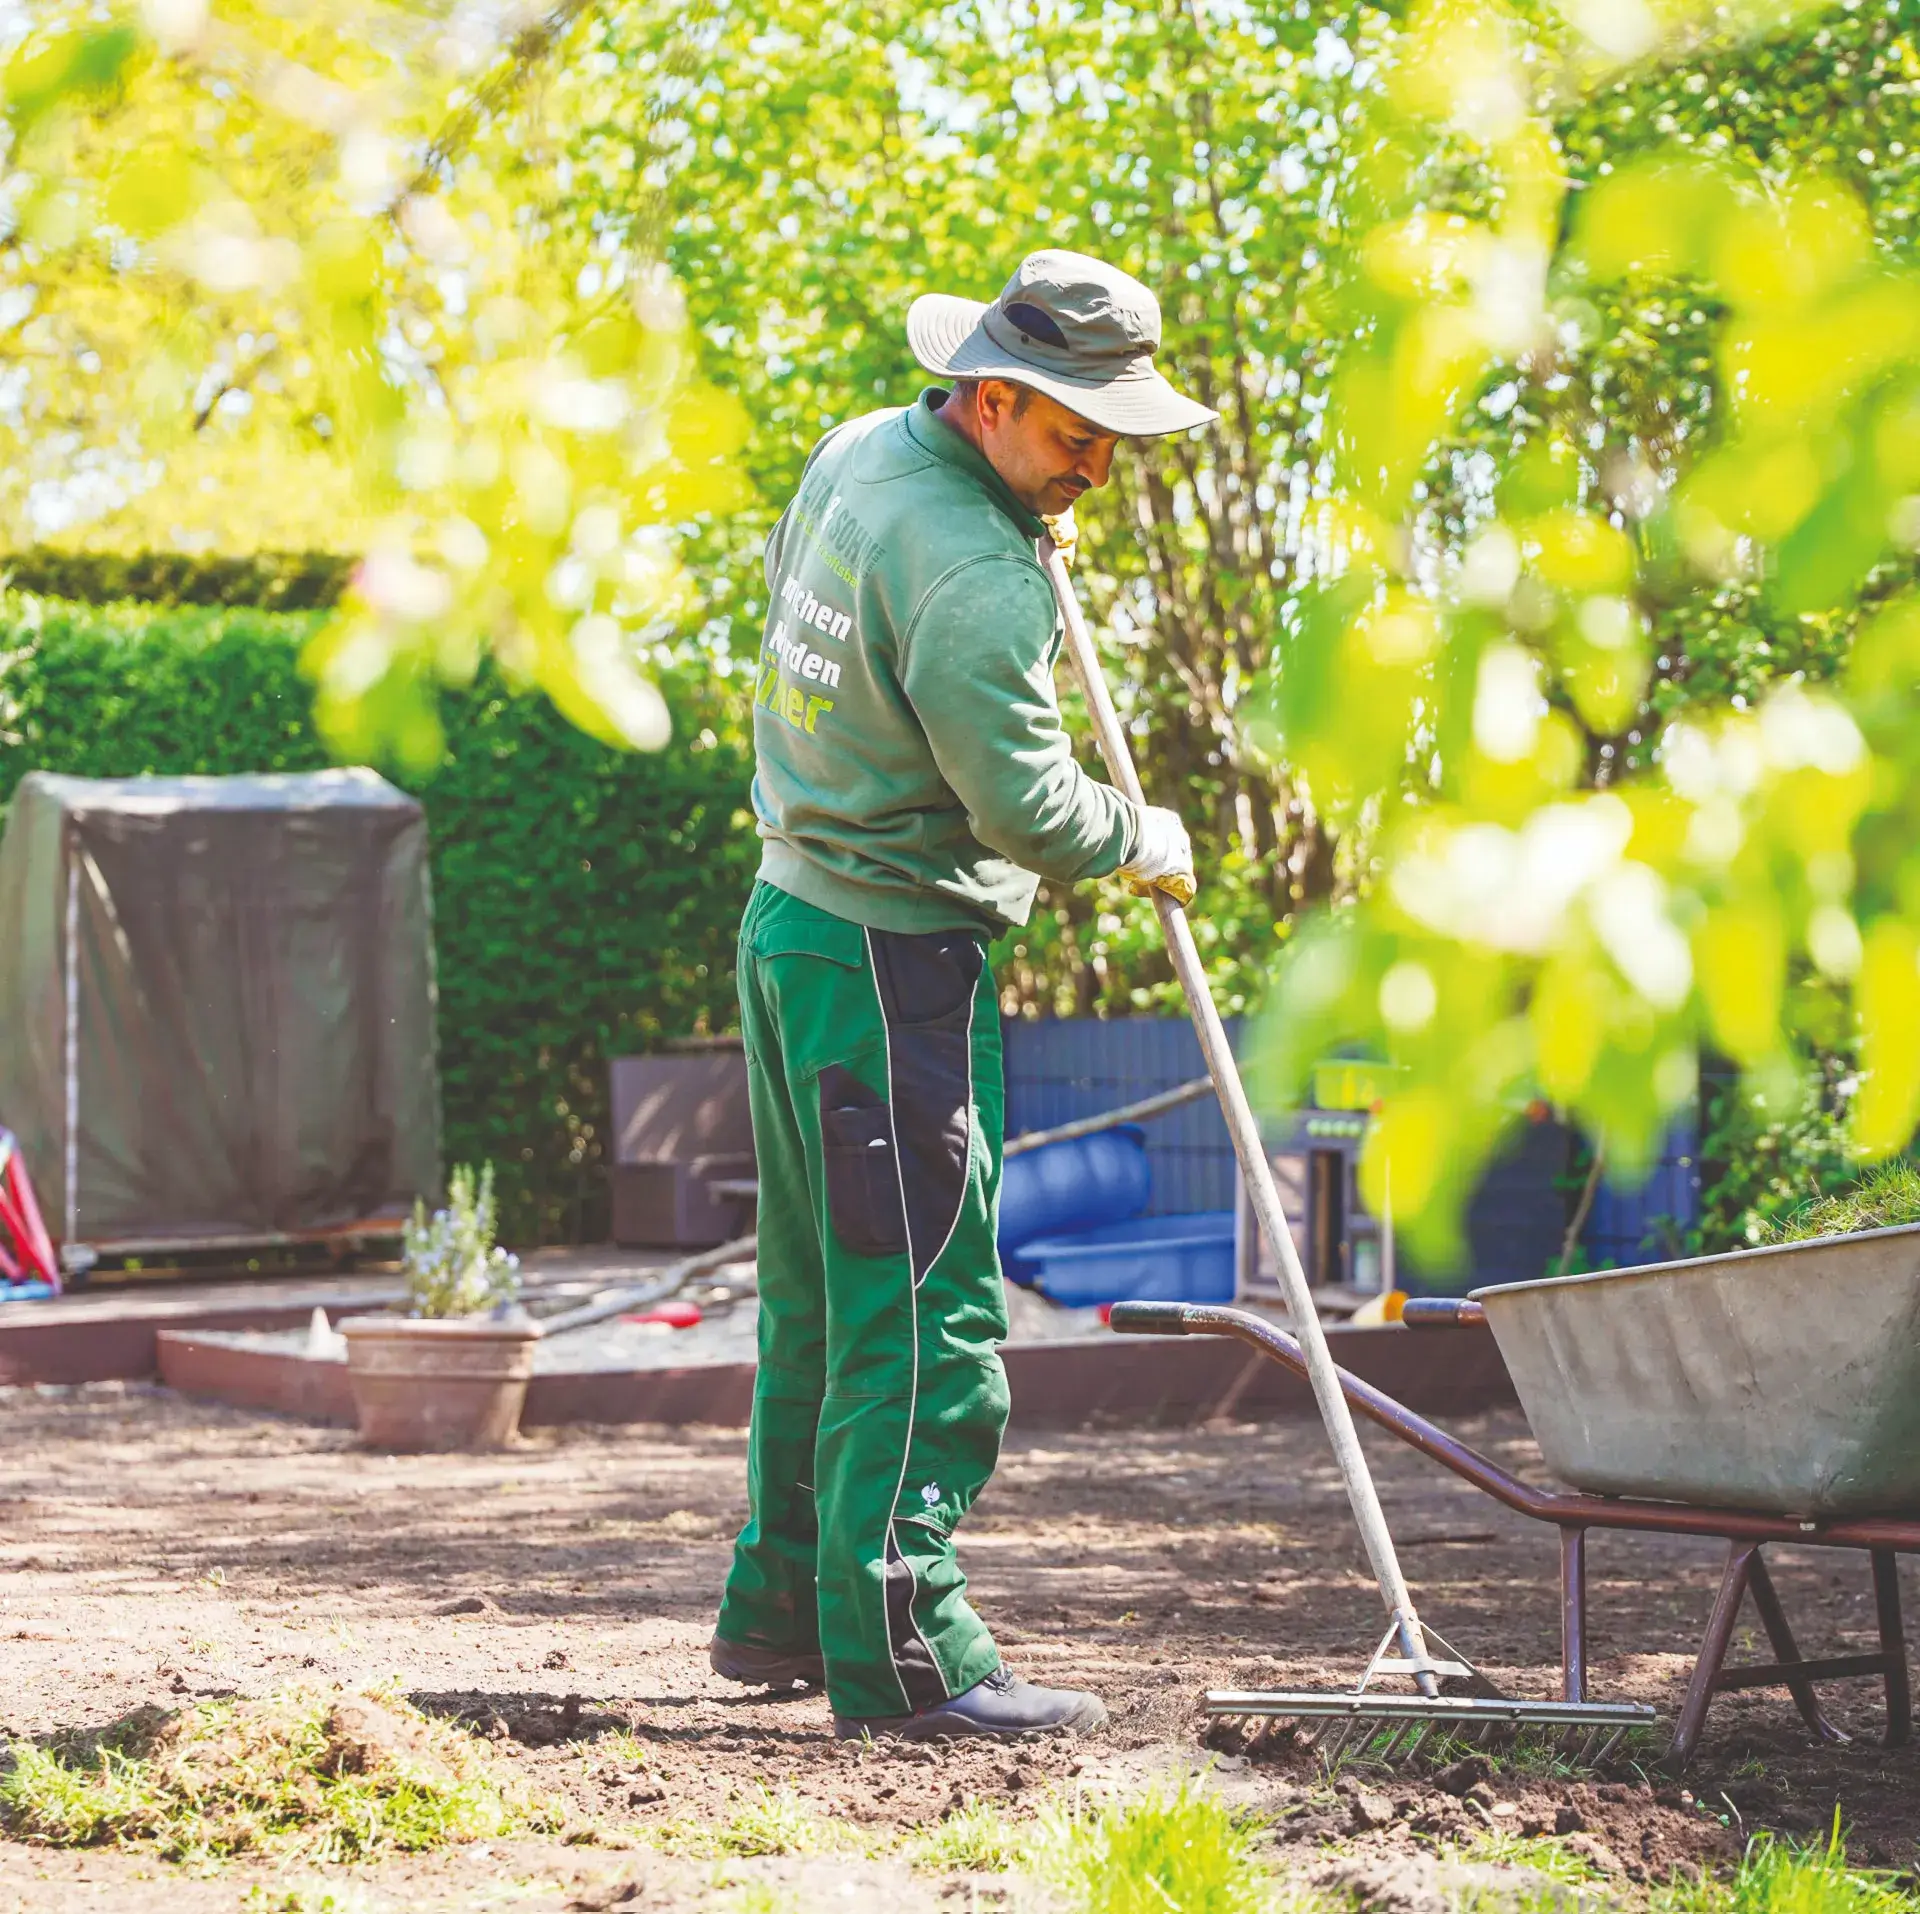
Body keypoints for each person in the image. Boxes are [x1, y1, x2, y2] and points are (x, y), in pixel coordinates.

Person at [709, 250, 1211, 1741]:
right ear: (992, 401)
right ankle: (907, 1648)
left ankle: (786, 1605)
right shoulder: (981, 573)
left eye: (1111, 441)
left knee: (820, 1296)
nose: (1097, 471)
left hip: (791, 919)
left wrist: (1021, 511)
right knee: (926, 1306)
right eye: (1074, 437)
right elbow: (1027, 805)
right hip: (892, 963)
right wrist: (1140, 835)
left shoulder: (862, 453)